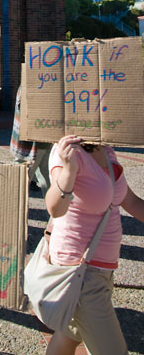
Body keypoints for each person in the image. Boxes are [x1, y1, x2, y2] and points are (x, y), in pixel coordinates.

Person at [45, 134, 144, 355]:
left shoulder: (104, 147)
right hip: (80, 273)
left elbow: (129, 201)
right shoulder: (65, 151)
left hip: (100, 269)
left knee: (69, 335)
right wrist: (69, 170)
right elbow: (55, 208)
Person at [10, 86, 51, 196]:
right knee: (21, 181)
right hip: (32, 144)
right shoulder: (30, 84)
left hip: (37, 143)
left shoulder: (32, 83)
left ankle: (53, 211)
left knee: (20, 182)